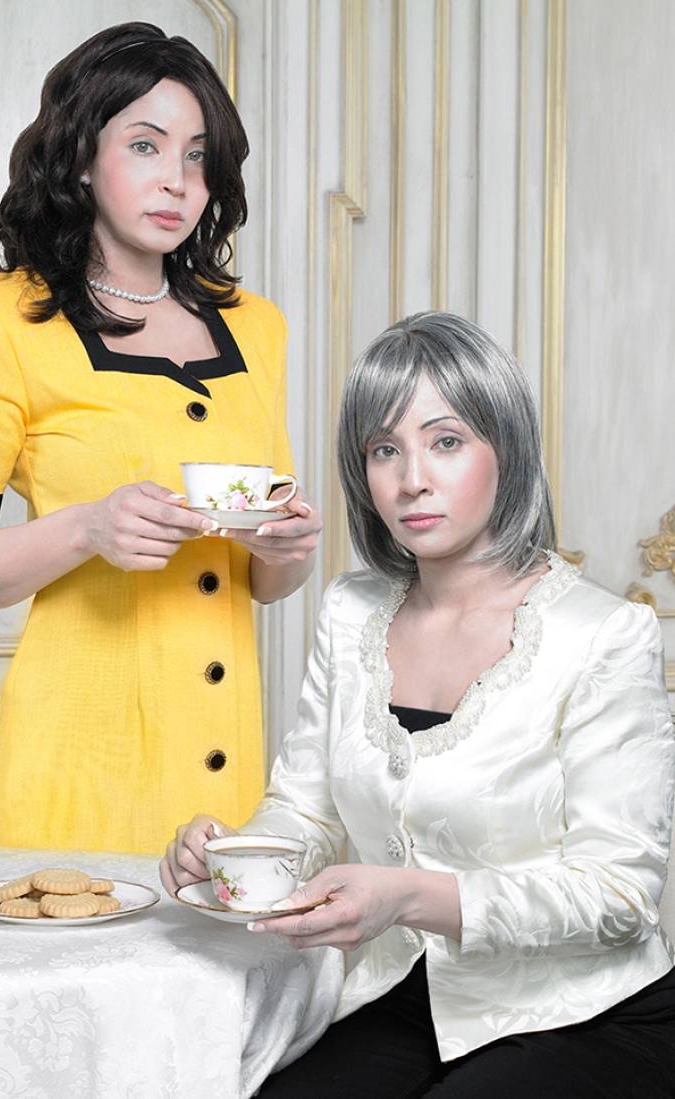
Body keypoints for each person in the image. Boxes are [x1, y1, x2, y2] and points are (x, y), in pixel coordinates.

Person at [161, 311, 675, 1096]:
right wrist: (234, 858)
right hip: (403, 993)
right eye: (383, 449)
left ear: (505, 448)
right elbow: (303, 812)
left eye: (446, 441)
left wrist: (408, 894)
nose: (411, 480)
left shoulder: (605, 633)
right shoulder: (349, 609)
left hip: (584, 1011)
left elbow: (620, 892)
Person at [0, 22, 321, 855]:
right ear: (81, 160)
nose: (177, 181)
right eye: (144, 145)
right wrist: (87, 528)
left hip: (229, 768)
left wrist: (291, 546)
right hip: (80, 762)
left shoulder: (255, 327)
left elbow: (262, 581)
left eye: (198, 155)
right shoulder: (0, 323)